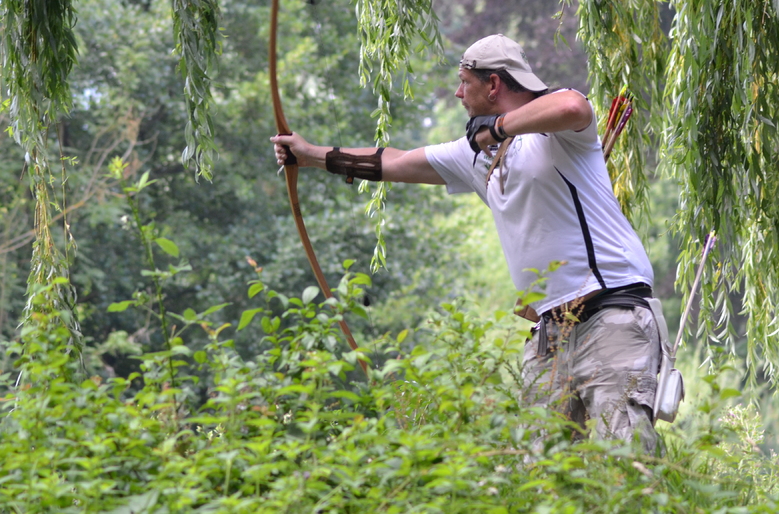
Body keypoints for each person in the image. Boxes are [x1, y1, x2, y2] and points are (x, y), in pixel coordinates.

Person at [272, 34, 660, 452]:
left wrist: (495, 128)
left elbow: (572, 106)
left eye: (464, 82)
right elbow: (395, 161)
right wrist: (310, 155)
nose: (458, 93)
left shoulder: (558, 133)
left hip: (611, 313)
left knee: (628, 461)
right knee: (539, 470)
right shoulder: (476, 154)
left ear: (493, 84)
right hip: (551, 332)